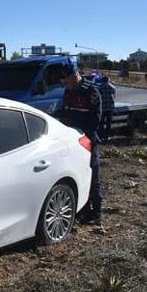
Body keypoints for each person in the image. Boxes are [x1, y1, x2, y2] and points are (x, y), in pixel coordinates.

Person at [58, 64, 103, 226]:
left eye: (68, 80)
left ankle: (96, 212)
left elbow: (96, 118)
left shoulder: (90, 91)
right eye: (64, 81)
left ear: (75, 75)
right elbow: (65, 112)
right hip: (72, 141)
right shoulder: (68, 91)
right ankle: (83, 210)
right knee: (79, 175)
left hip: (87, 140)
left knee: (93, 176)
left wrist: (83, 136)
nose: (66, 83)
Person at [98, 76, 116, 141]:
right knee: (108, 123)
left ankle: (100, 136)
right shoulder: (112, 87)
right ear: (108, 80)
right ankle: (107, 136)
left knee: (101, 123)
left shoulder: (99, 88)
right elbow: (114, 96)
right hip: (110, 108)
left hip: (102, 108)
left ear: (102, 80)